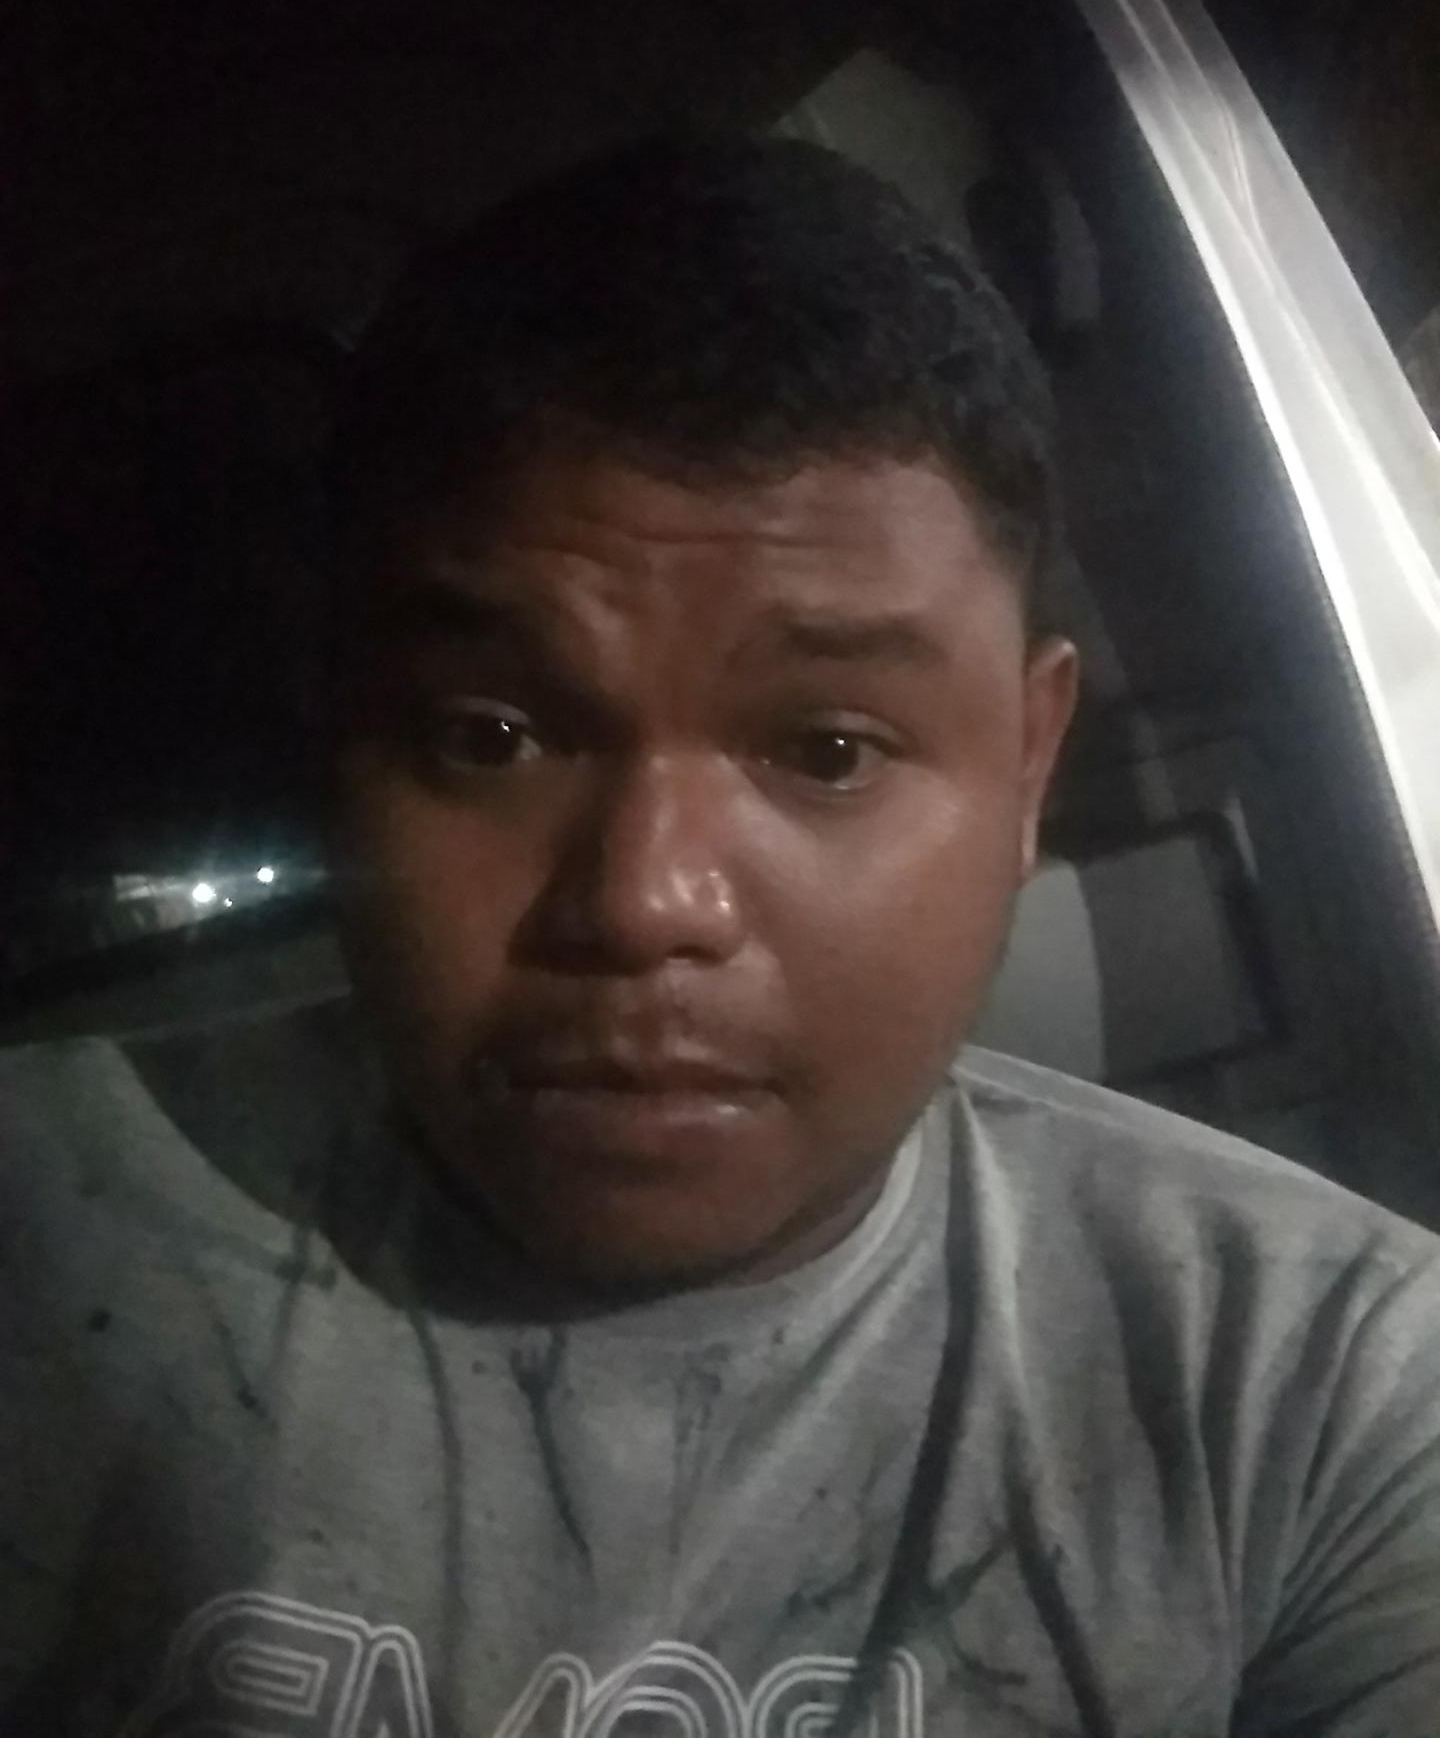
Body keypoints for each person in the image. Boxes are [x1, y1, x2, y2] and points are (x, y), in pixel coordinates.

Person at [3, 135, 1439, 1738]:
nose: (643, 901)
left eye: (826, 750)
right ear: (343, 732)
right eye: (491, 736)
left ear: (1030, 767)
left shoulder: (1325, 1398)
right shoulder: (39, 1225)